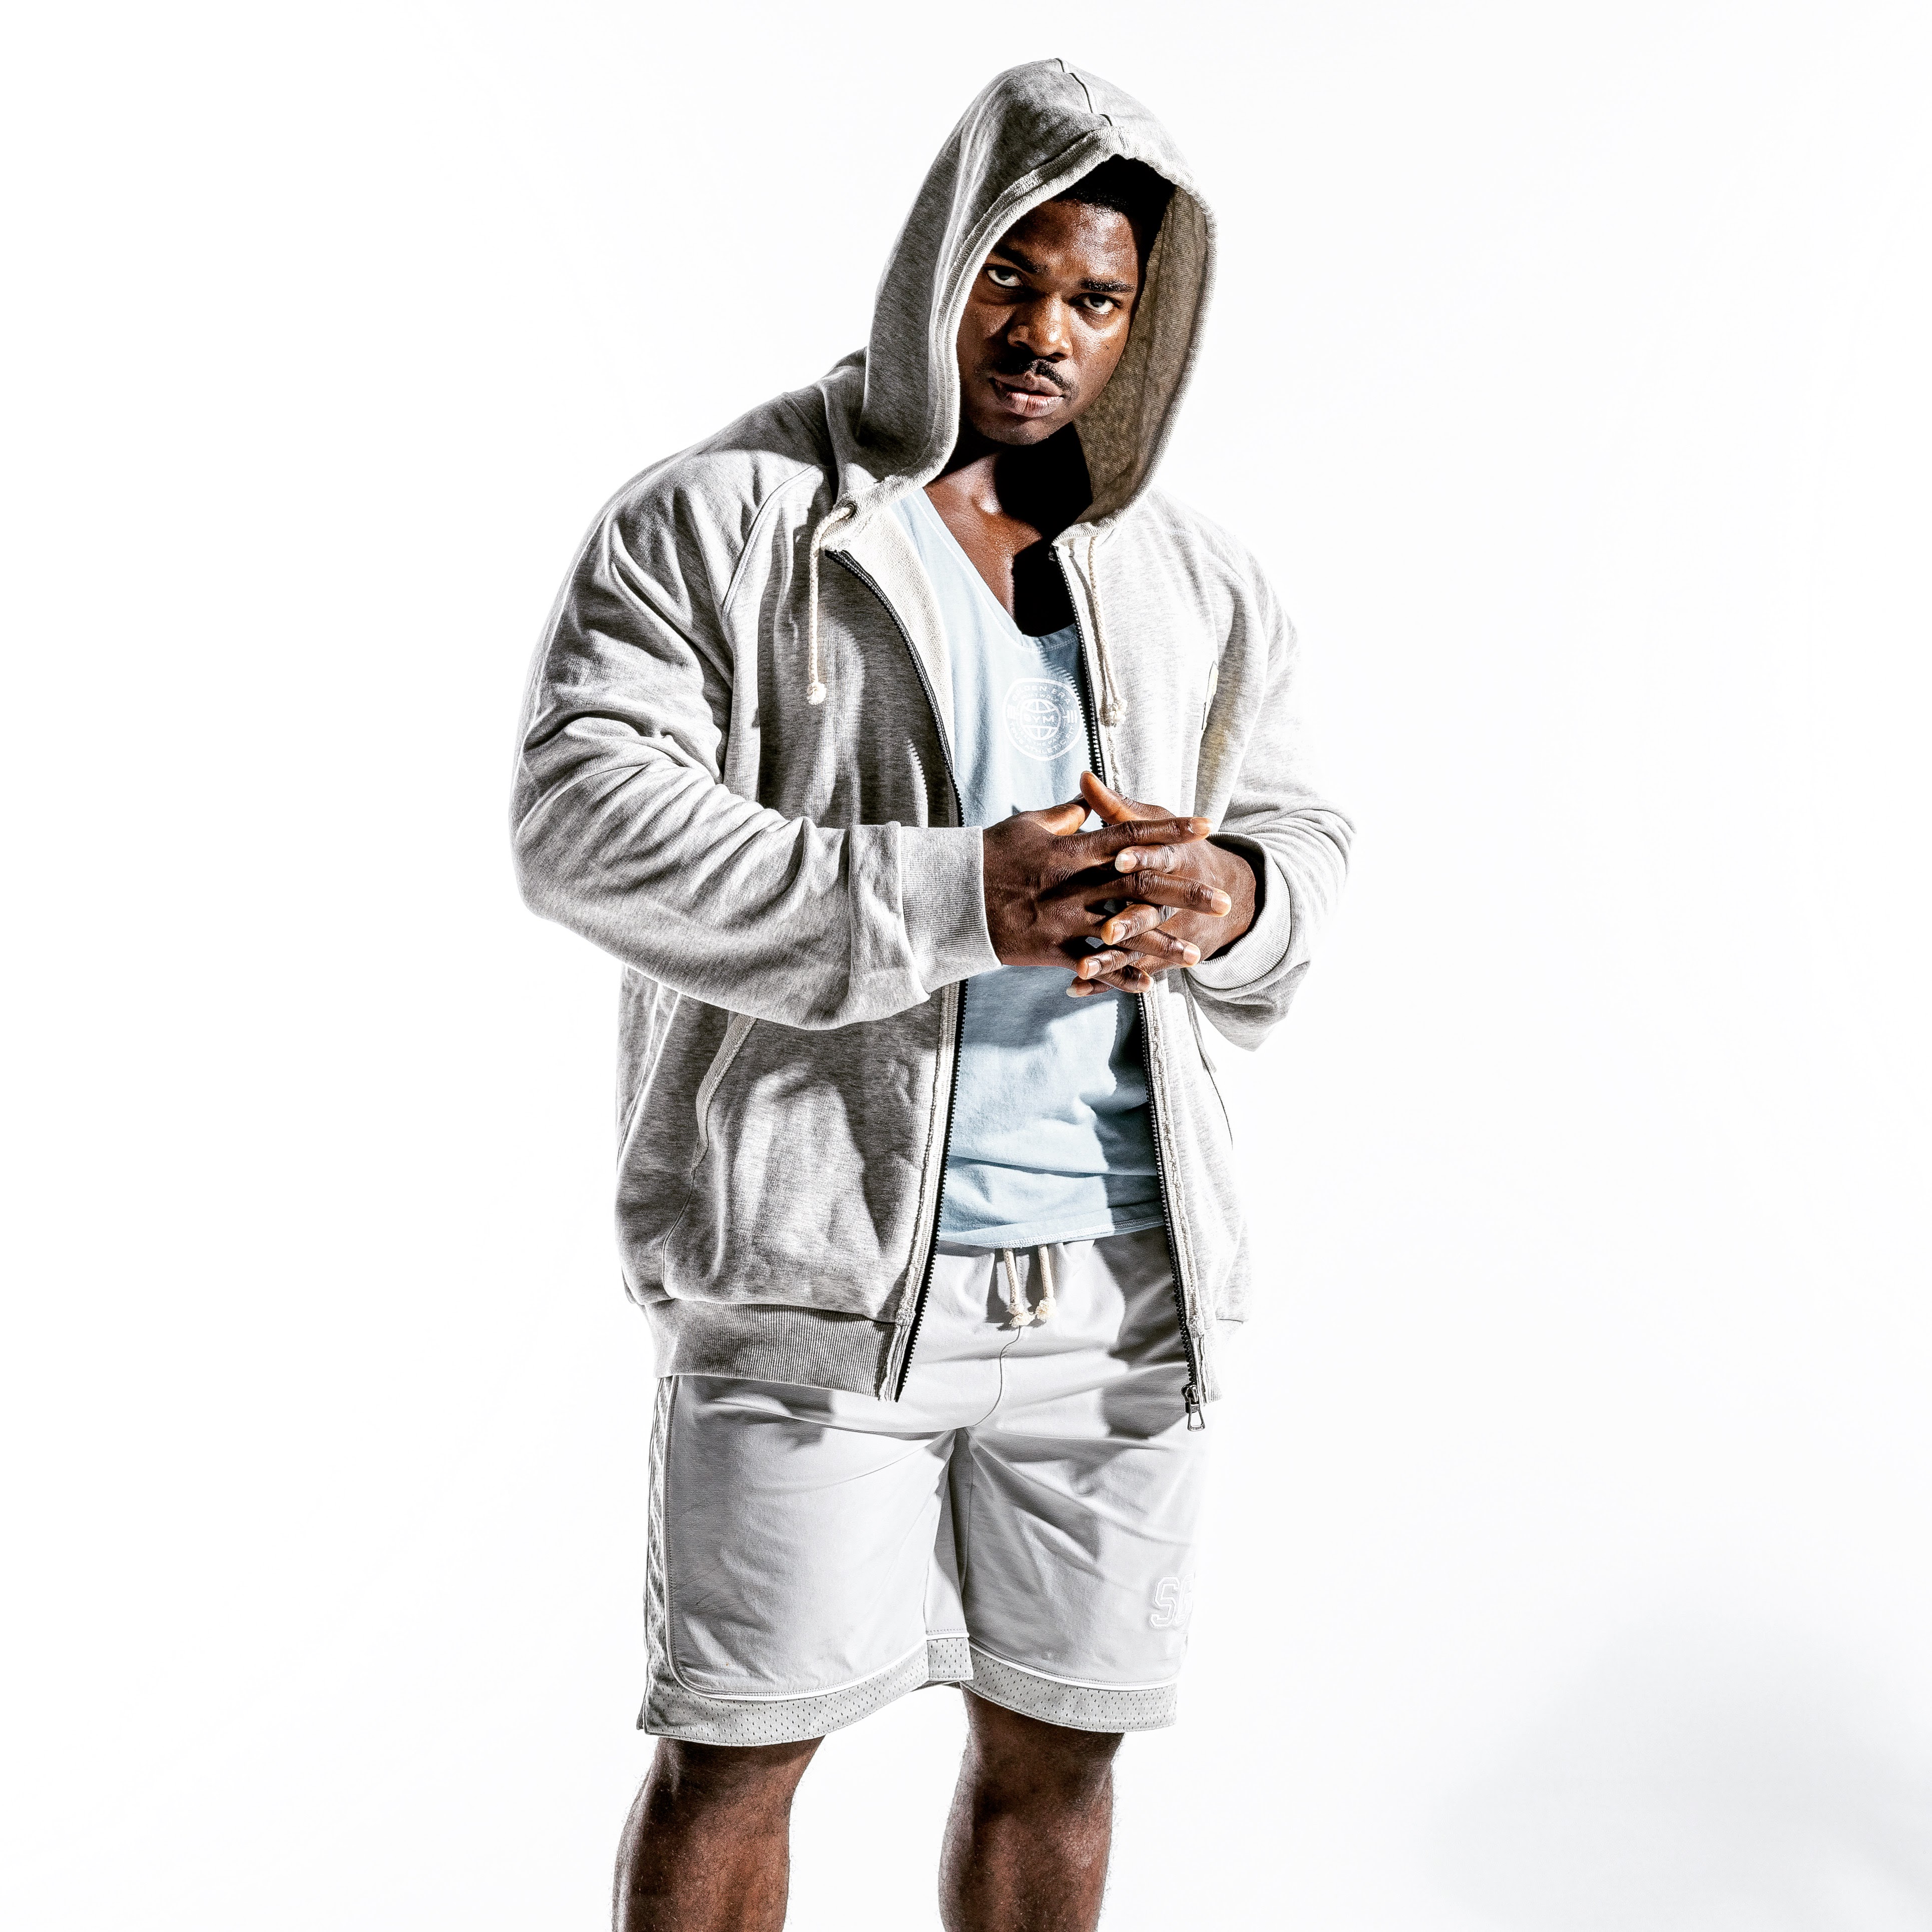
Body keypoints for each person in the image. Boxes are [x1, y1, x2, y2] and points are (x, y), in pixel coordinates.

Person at [512, 58, 1352, 1932]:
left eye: (1097, 298)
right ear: (936, 261)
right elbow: (577, 824)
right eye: (1009, 276)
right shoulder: (724, 518)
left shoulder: (1192, 576)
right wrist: (955, 891)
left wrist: (1228, 893)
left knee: (1062, 1753)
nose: (1045, 333)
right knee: (739, 1751)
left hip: (1121, 1286)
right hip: (814, 1274)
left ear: (1145, 321)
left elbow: (1302, 840)